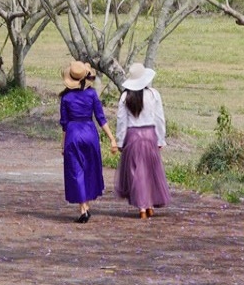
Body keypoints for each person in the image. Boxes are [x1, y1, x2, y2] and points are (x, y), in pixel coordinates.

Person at [60, 60, 118, 223]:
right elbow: (101, 118)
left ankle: (83, 208)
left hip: (73, 134)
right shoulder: (92, 94)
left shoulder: (66, 97)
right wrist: (112, 138)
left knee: (75, 171)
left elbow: (64, 123)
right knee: (89, 169)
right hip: (89, 133)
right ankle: (86, 205)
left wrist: (63, 144)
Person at [114, 62, 171, 219]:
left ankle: (142, 207)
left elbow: (121, 121)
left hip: (133, 136)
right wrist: (161, 138)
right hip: (149, 134)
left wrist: (120, 141)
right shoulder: (153, 94)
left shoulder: (125, 96)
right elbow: (159, 119)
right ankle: (150, 204)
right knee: (150, 170)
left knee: (136, 172)